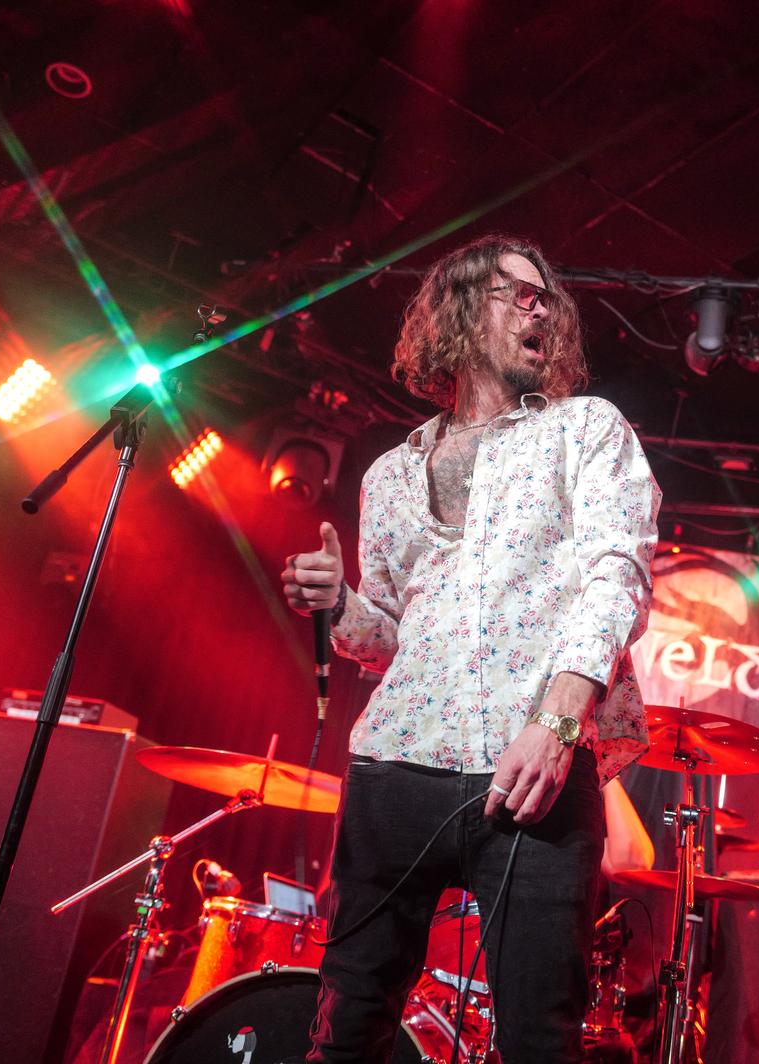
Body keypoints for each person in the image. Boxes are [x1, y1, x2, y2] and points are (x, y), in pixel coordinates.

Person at [280, 233, 661, 1063]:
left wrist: (558, 724)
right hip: (395, 767)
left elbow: (618, 570)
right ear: (457, 312)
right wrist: (341, 604)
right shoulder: (386, 475)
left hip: (532, 776)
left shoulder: (585, 430)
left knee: (537, 1038)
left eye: (546, 296)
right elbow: (390, 642)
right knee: (344, 1025)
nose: (542, 307)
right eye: (516, 293)